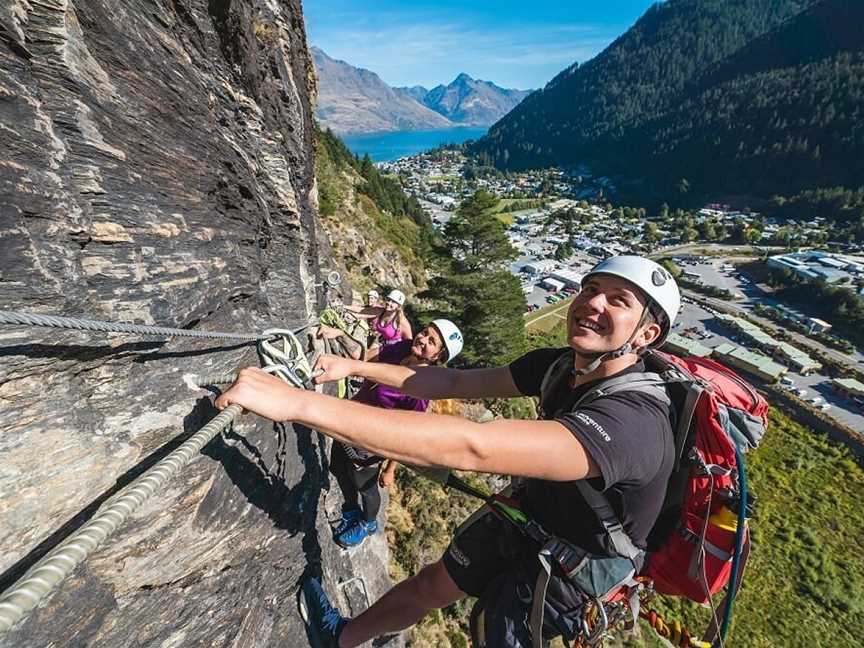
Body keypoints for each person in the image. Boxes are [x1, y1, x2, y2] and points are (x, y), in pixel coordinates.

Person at [215, 256, 680, 647]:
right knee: (431, 584)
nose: (592, 303)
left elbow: (474, 446)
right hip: (530, 518)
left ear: (645, 335)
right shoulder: (558, 366)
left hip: (575, 568)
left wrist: (297, 404)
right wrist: (354, 365)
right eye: (592, 288)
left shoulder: (635, 422)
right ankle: (342, 639)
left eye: (618, 301)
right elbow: (453, 381)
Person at [330, 319, 464, 549]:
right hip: (348, 419)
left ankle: (368, 523)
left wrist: (390, 469)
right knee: (337, 467)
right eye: (424, 333)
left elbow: (403, 436)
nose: (422, 339)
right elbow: (366, 358)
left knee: (365, 485)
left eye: (431, 342)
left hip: (371, 442)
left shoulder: (420, 390)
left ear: (437, 357)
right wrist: (339, 334)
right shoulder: (402, 348)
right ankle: (351, 510)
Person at [317, 289, 411, 361]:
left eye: (393, 302)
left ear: (398, 306)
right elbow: (362, 311)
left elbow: (409, 342)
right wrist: (343, 307)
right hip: (383, 341)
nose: (389, 303)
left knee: (366, 359)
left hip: (395, 347)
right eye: (388, 300)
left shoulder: (401, 321)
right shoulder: (381, 311)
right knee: (364, 357)